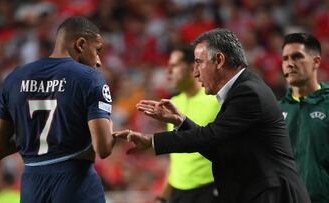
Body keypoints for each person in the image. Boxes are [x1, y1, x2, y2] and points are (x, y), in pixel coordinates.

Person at [115, 28, 311, 203]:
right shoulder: (242, 89)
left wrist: (152, 142)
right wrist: (181, 122)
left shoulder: (248, 93)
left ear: (219, 60)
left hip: (274, 194)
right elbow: (217, 146)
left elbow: (211, 136)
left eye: (199, 63)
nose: (196, 73)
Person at [0, 16, 114, 203]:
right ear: (81, 44)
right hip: (75, 183)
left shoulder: (14, 79)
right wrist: (110, 130)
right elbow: (103, 148)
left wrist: (34, 131)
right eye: (97, 50)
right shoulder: (90, 79)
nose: (99, 61)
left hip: (32, 186)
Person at [155, 46, 220, 203]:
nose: (168, 71)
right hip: (178, 193)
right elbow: (175, 160)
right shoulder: (172, 105)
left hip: (210, 189)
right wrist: (162, 197)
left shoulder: (216, 100)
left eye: (174, 66)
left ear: (192, 68)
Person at [279, 33, 329, 203]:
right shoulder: (277, 110)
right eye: (285, 58)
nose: (290, 63)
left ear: (316, 61)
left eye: (297, 56)